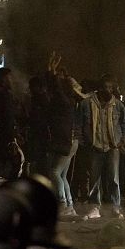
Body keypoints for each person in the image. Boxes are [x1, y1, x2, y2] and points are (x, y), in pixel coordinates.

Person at [79, 75, 125, 219]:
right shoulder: (87, 104)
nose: (108, 90)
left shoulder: (117, 105)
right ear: (99, 88)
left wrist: (122, 141)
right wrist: (83, 141)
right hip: (94, 146)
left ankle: (115, 207)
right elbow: (78, 124)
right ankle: (94, 207)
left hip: (112, 148)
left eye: (110, 87)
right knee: (94, 179)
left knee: (113, 179)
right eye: (105, 87)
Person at [45, 53, 79, 216]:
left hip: (66, 140)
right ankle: (69, 206)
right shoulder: (68, 101)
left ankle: (63, 204)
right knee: (62, 174)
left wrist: (51, 71)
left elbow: (56, 89)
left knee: (54, 172)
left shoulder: (63, 101)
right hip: (70, 140)